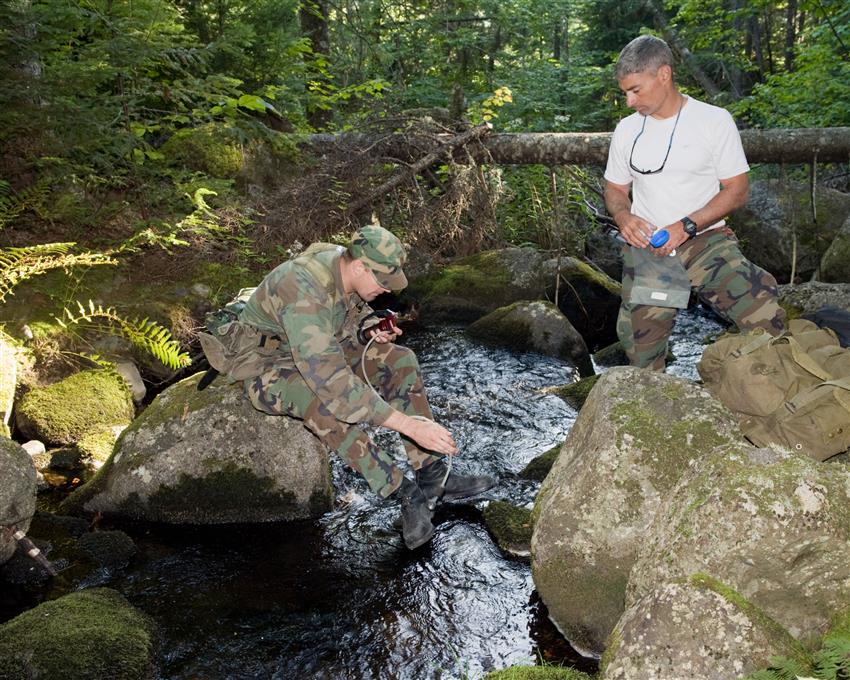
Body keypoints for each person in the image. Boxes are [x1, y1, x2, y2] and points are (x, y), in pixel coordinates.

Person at [237, 224, 496, 549]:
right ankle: (404, 492)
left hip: (315, 348)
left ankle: (431, 477)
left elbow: (346, 319)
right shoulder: (301, 286)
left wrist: (369, 330)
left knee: (399, 361)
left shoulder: (341, 266)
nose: (387, 291)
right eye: (383, 282)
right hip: (269, 365)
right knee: (324, 406)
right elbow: (336, 388)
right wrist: (411, 426)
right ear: (360, 266)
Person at [603, 35, 785, 371]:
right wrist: (623, 215)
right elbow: (615, 187)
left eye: (635, 90)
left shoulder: (713, 121)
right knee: (641, 359)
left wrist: (686, 226)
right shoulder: (627, 130)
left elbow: (737, 189)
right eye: (625, 92)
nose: (629, 101)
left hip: (705, 241)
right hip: (649, 250)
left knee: (766, 319)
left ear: (663, 75)